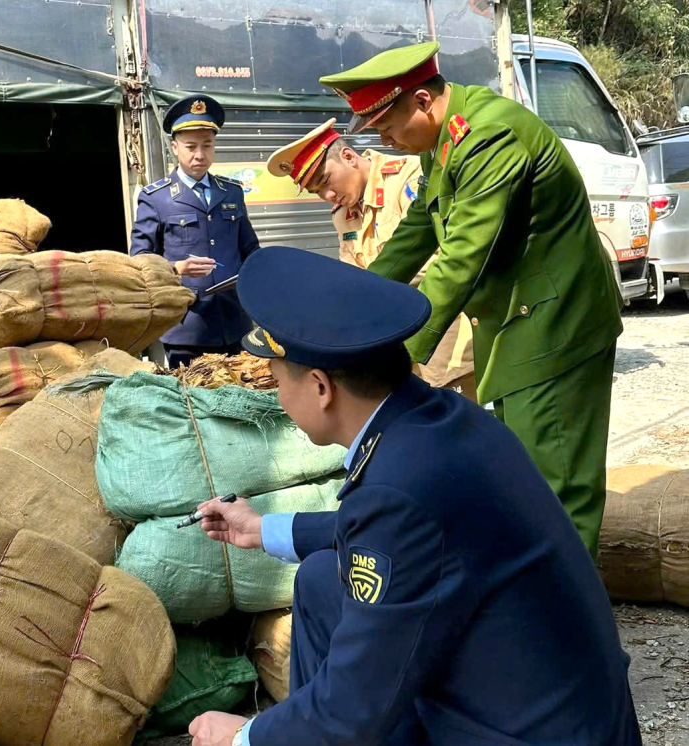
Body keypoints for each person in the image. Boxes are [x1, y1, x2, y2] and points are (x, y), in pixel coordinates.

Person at [187, 245, 641, 746]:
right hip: (555, 695)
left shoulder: (399, 488)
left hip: (526, 733)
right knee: (321, 580)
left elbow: (353, 707)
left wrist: (246, 736)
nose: (277, 396)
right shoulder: (438, 420)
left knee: (331, 714)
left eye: (277, 381)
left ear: (320, 387)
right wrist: (263, 528)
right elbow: (402, 540)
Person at [317, 41, 623, 558]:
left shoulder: (487, 135)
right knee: (520, 487)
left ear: (421, 101)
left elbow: (462, 254)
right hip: (516, 330)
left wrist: (396, 353)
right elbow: (415, 236)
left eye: (388, 127)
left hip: (556, 328)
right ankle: (533, 614)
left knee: (557, 492)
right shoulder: (443, 143)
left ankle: (572, 632)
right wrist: (345, 313)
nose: (386, 142)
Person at [266, 120, 475, 398]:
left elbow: (438, 260)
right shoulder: (343, 213)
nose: (328, 196)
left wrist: (368, 292)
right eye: (317, 192)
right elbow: (353, 274)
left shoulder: (408, 179)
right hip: (395, 353)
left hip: (446, 346)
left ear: (349, 157)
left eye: (326, 181)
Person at [130, 94, 260, 369]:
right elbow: (140, 260)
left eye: (207, 145)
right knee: (194, 403)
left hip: (235, 322)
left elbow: (250, 250)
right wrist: (177, 268)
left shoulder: (232, 192)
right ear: (175, 147)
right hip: (187, 327)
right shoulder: (156, 198)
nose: (199, 155)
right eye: (190, 146)